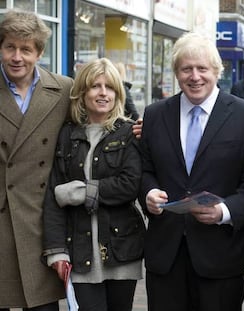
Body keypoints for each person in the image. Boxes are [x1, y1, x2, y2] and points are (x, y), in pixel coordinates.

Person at [138, 32, 244, 311]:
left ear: (217, 71)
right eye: (186, 69)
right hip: (165, 258)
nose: (195, 76)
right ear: (176, 73)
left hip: (219, 258)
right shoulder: (155, 114)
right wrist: (147, 192)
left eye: (202, 68)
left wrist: (225, 211)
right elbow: (145, 170)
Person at [42, 58, 145, 311]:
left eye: (109, 87)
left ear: (118, 93)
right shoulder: (67, 135)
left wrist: (81, 192)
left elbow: (130, 184)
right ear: (82, 92)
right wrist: (56, 251)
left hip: (121, 253)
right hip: (79, 252)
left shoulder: (129, 133)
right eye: (95, 86)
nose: (103, 93)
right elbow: (52, 197)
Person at [0, 10, 73, 310]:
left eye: (26, 49)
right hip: (2, 218)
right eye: (9, 47)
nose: (17, 57)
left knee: (42, 304)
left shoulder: (64, 90)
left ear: (39, 53)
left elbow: (95, 124)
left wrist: (138, 129)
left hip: (42, 221)